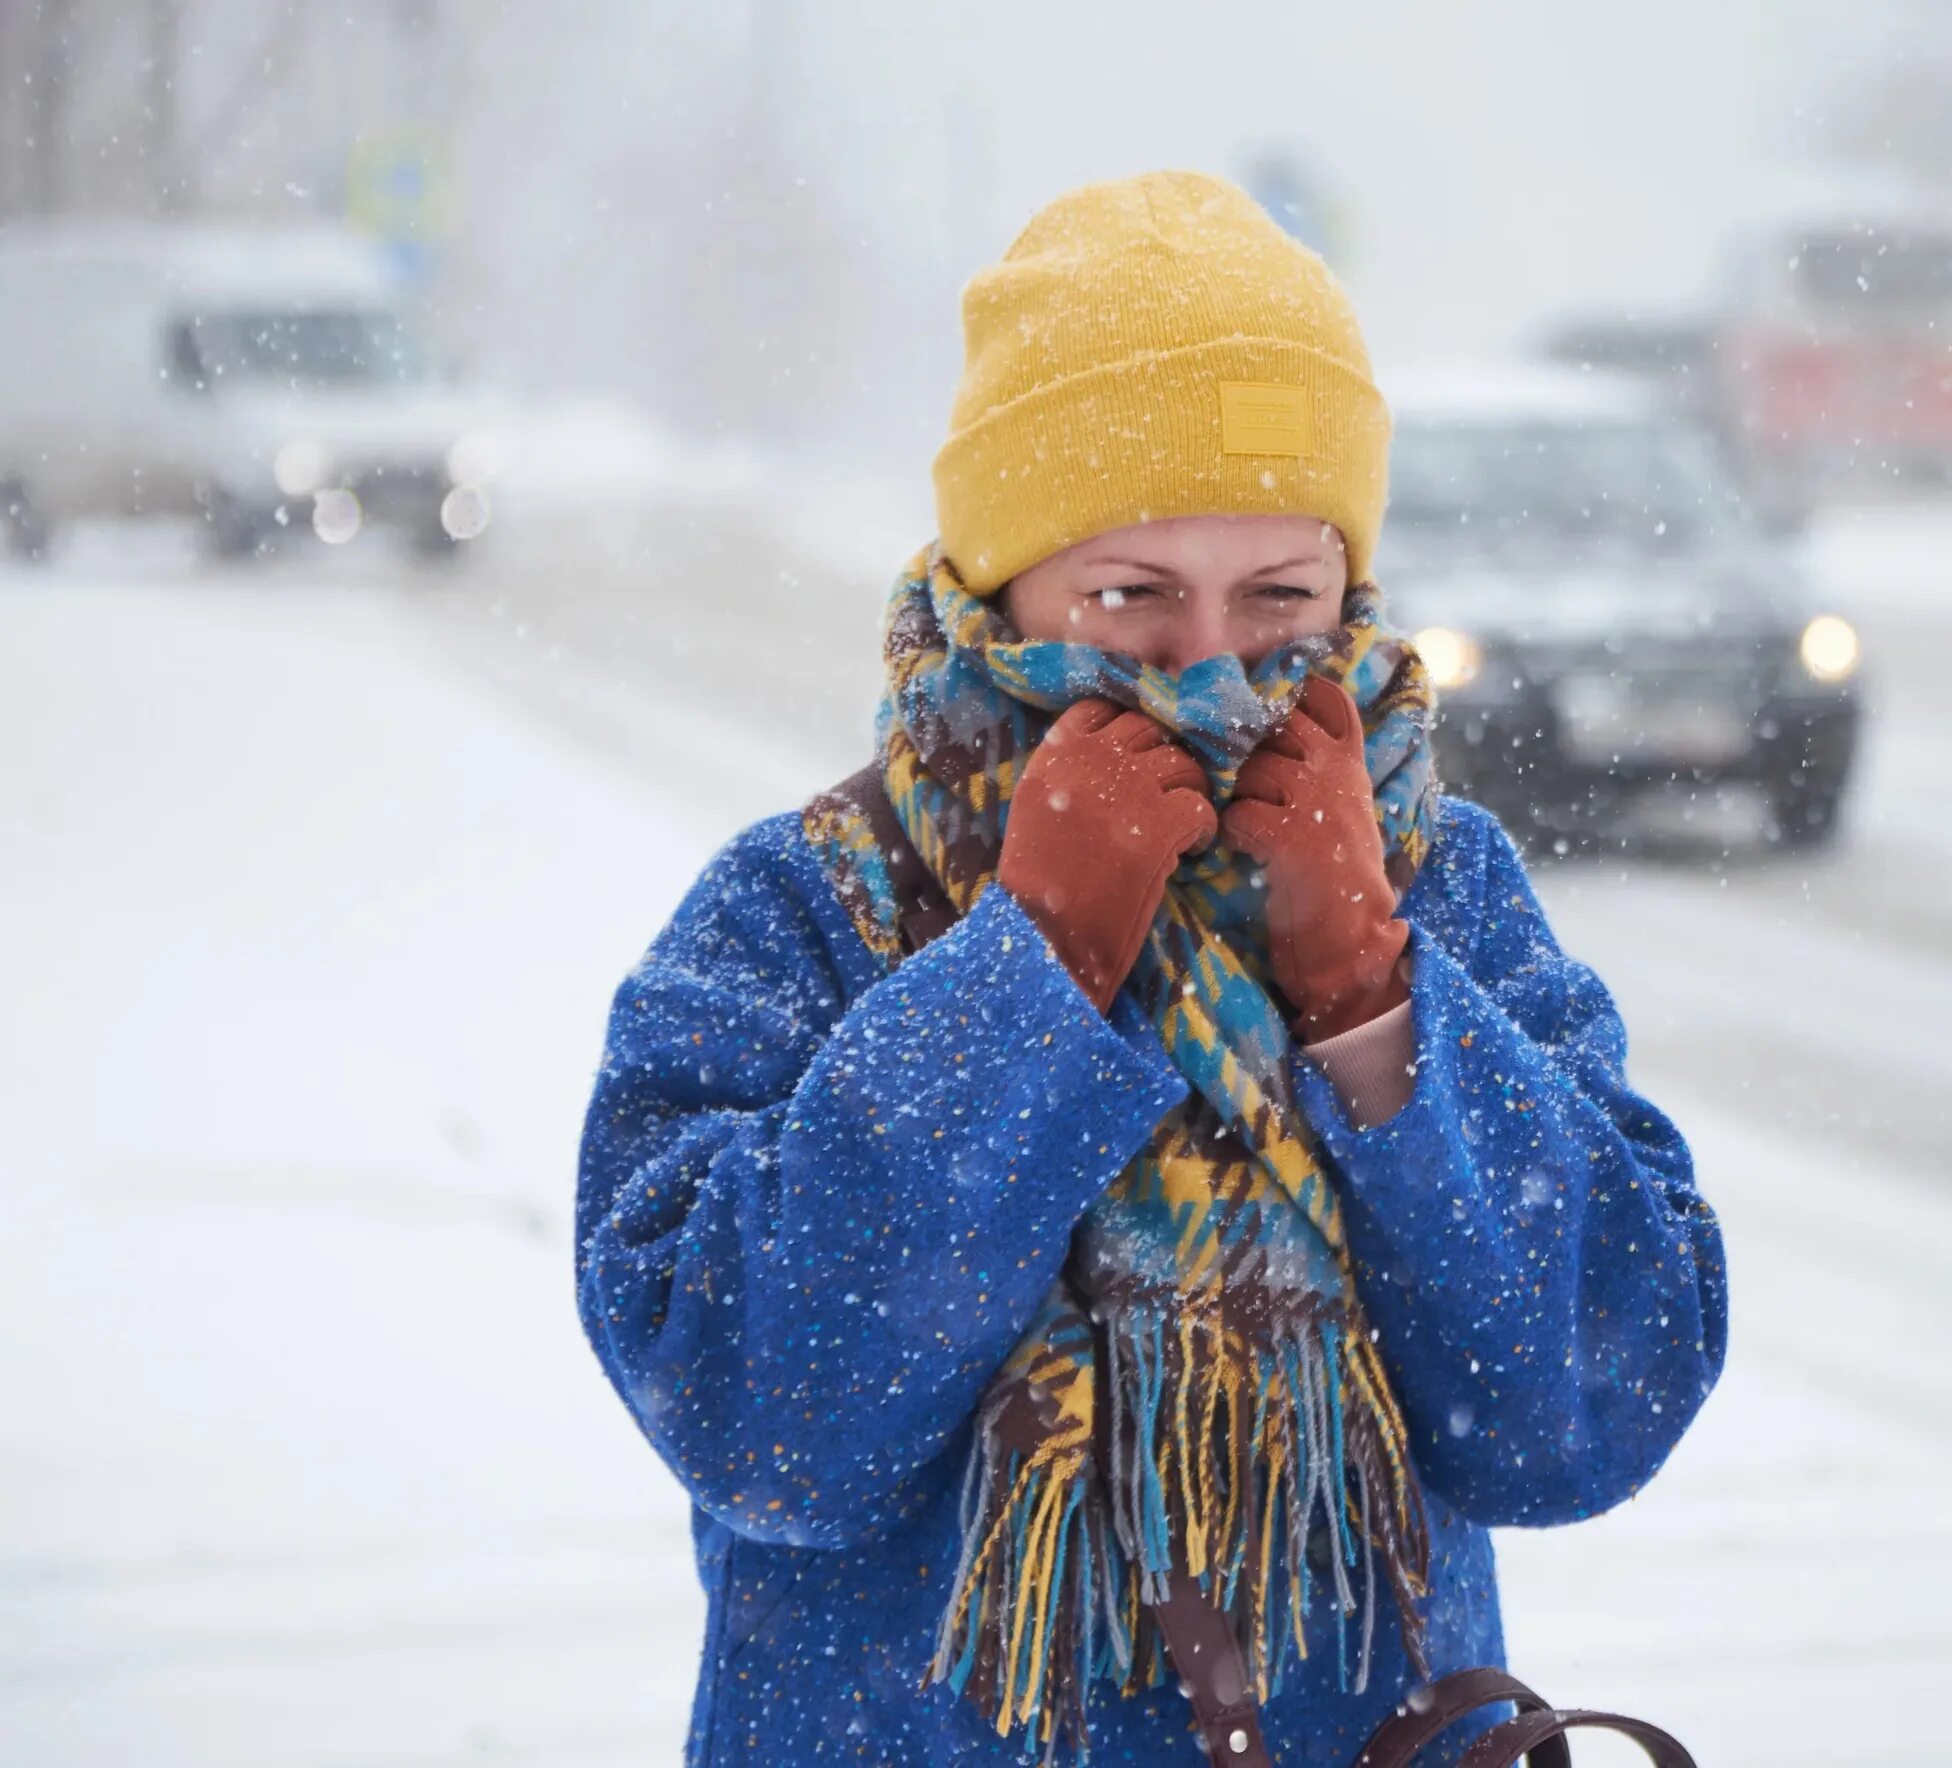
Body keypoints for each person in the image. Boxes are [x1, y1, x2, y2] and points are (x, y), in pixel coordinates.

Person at [575, 170, 1727, 1768]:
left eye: (1278, 602)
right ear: (1005, 590)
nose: (1210, 673)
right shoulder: (808, 906)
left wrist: (1378, 1001)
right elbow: (767, 1420)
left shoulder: (1439, 889)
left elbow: (1594, 1402)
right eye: (1128, 599)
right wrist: (1028, 976)